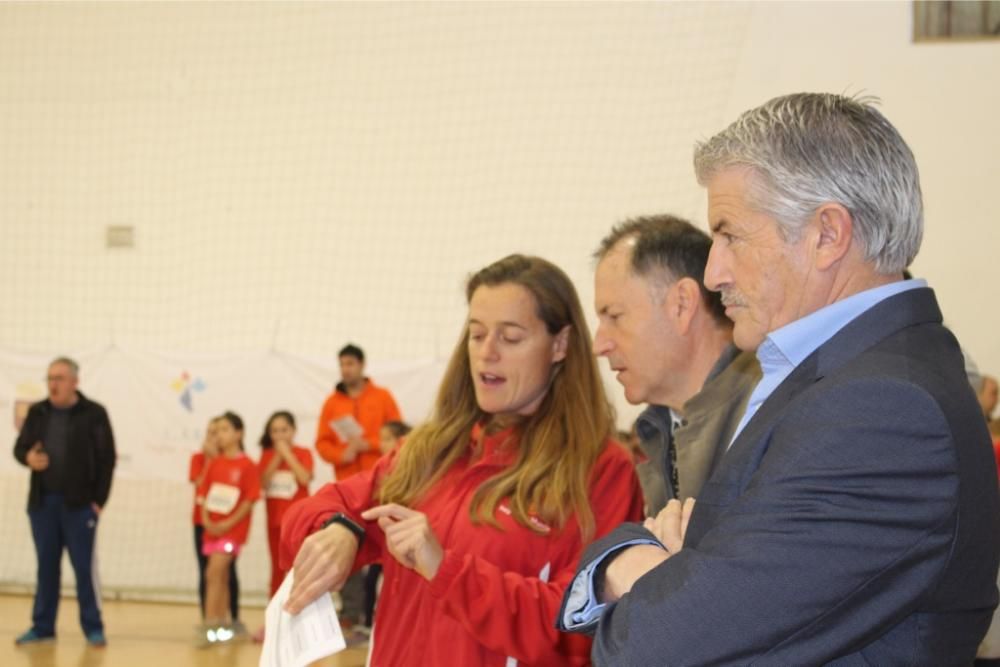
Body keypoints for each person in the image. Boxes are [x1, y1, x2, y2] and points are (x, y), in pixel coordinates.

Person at [559, 92, 1000, 665]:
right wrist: (650, 563)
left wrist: (624, 564)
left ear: (826, 235)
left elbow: (656, 646)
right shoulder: (848, 381)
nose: (714, 273)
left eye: (729, 235)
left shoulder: (885, 409)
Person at [281, 254, 644, 666]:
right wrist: (342, 530)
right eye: (476, 335)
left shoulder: (600, 470)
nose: (487, 353)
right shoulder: (431, 450)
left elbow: (577, 631)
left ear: (559, 345)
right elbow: (305, 519)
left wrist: (447, 571)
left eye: (510, 338)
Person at [593, 215, 759, 514]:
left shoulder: (765, 410)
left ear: (682, 304)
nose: (599, 345)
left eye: (615, 317)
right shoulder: (658, 428)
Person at [12, 357, 116, 647]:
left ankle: (93, 627)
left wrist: (98, 501)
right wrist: (28, 458)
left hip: (80, 506)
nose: (53, 384)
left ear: (74, 382)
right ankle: (43, 626)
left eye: (59, 378)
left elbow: (107, 459)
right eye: (49, 378)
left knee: (84, 568)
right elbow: (19, 449)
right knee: (46, 567)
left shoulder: (94, 414)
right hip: (43, 504)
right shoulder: (38, 412)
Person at [314, 343, 403, 627]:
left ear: (362, 365)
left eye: (350, 364)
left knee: (384, 550)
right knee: (346, 544)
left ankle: (381, 614)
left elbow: (400, 436)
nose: (346, 369)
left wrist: (371, 445)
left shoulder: (383, 397)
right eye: (342, 364)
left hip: (382, 488)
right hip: (347, 488)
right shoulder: (332, 402)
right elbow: (321, 443)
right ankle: (350, 613)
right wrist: (343, 454)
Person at [197, 411, 260, 646]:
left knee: (214, 571)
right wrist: (206, 518)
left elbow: (250, 499)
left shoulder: (248, 465)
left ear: (239, 433)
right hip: (212, 528)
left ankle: (210, 625)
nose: (220, 435)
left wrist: (229, 523)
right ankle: (220, 626)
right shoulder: (215, 463)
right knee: (218, 576)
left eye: (225, 430)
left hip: (232, 530)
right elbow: (204, 493)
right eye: (218, 430)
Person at [188, 416, 241, 627]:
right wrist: (210, 459)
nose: (216, 436)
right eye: (212, 432)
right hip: (203, 523)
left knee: (226, 572)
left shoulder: (235, 461)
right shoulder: (201, 459)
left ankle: (231, 618)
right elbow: (200, 486)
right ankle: (209, 620)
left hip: (228, 526)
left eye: (219, 431)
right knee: (208, 572)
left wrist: (229, 522)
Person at [257, 411, 314, 597]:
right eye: (275, 431)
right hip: (274, 522)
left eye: (284, 430)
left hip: (298, 522)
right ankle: (273, 616)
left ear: (294, 430)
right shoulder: (267, 455)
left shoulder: (303, 453)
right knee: (276, 566)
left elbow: (304, 478)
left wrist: (287, 454)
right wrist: (277, 457)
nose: (280, 435)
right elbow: (262, 483)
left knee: (298, 565)